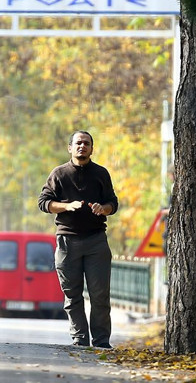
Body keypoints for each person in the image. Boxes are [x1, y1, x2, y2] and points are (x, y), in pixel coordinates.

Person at [38, 131, 118, 349]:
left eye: (86, 143)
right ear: (70, 148)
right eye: (78, 143)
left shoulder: (101, 173)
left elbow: (113, 203)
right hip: (67, 242)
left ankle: (101, 341)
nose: (82, 146)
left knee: (100, 295)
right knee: (72, 296)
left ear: (92, 148)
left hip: (96, 241)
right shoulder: (59, 174)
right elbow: (44, 202)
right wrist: (66, 206)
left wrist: (104, 209)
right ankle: (79, 340)